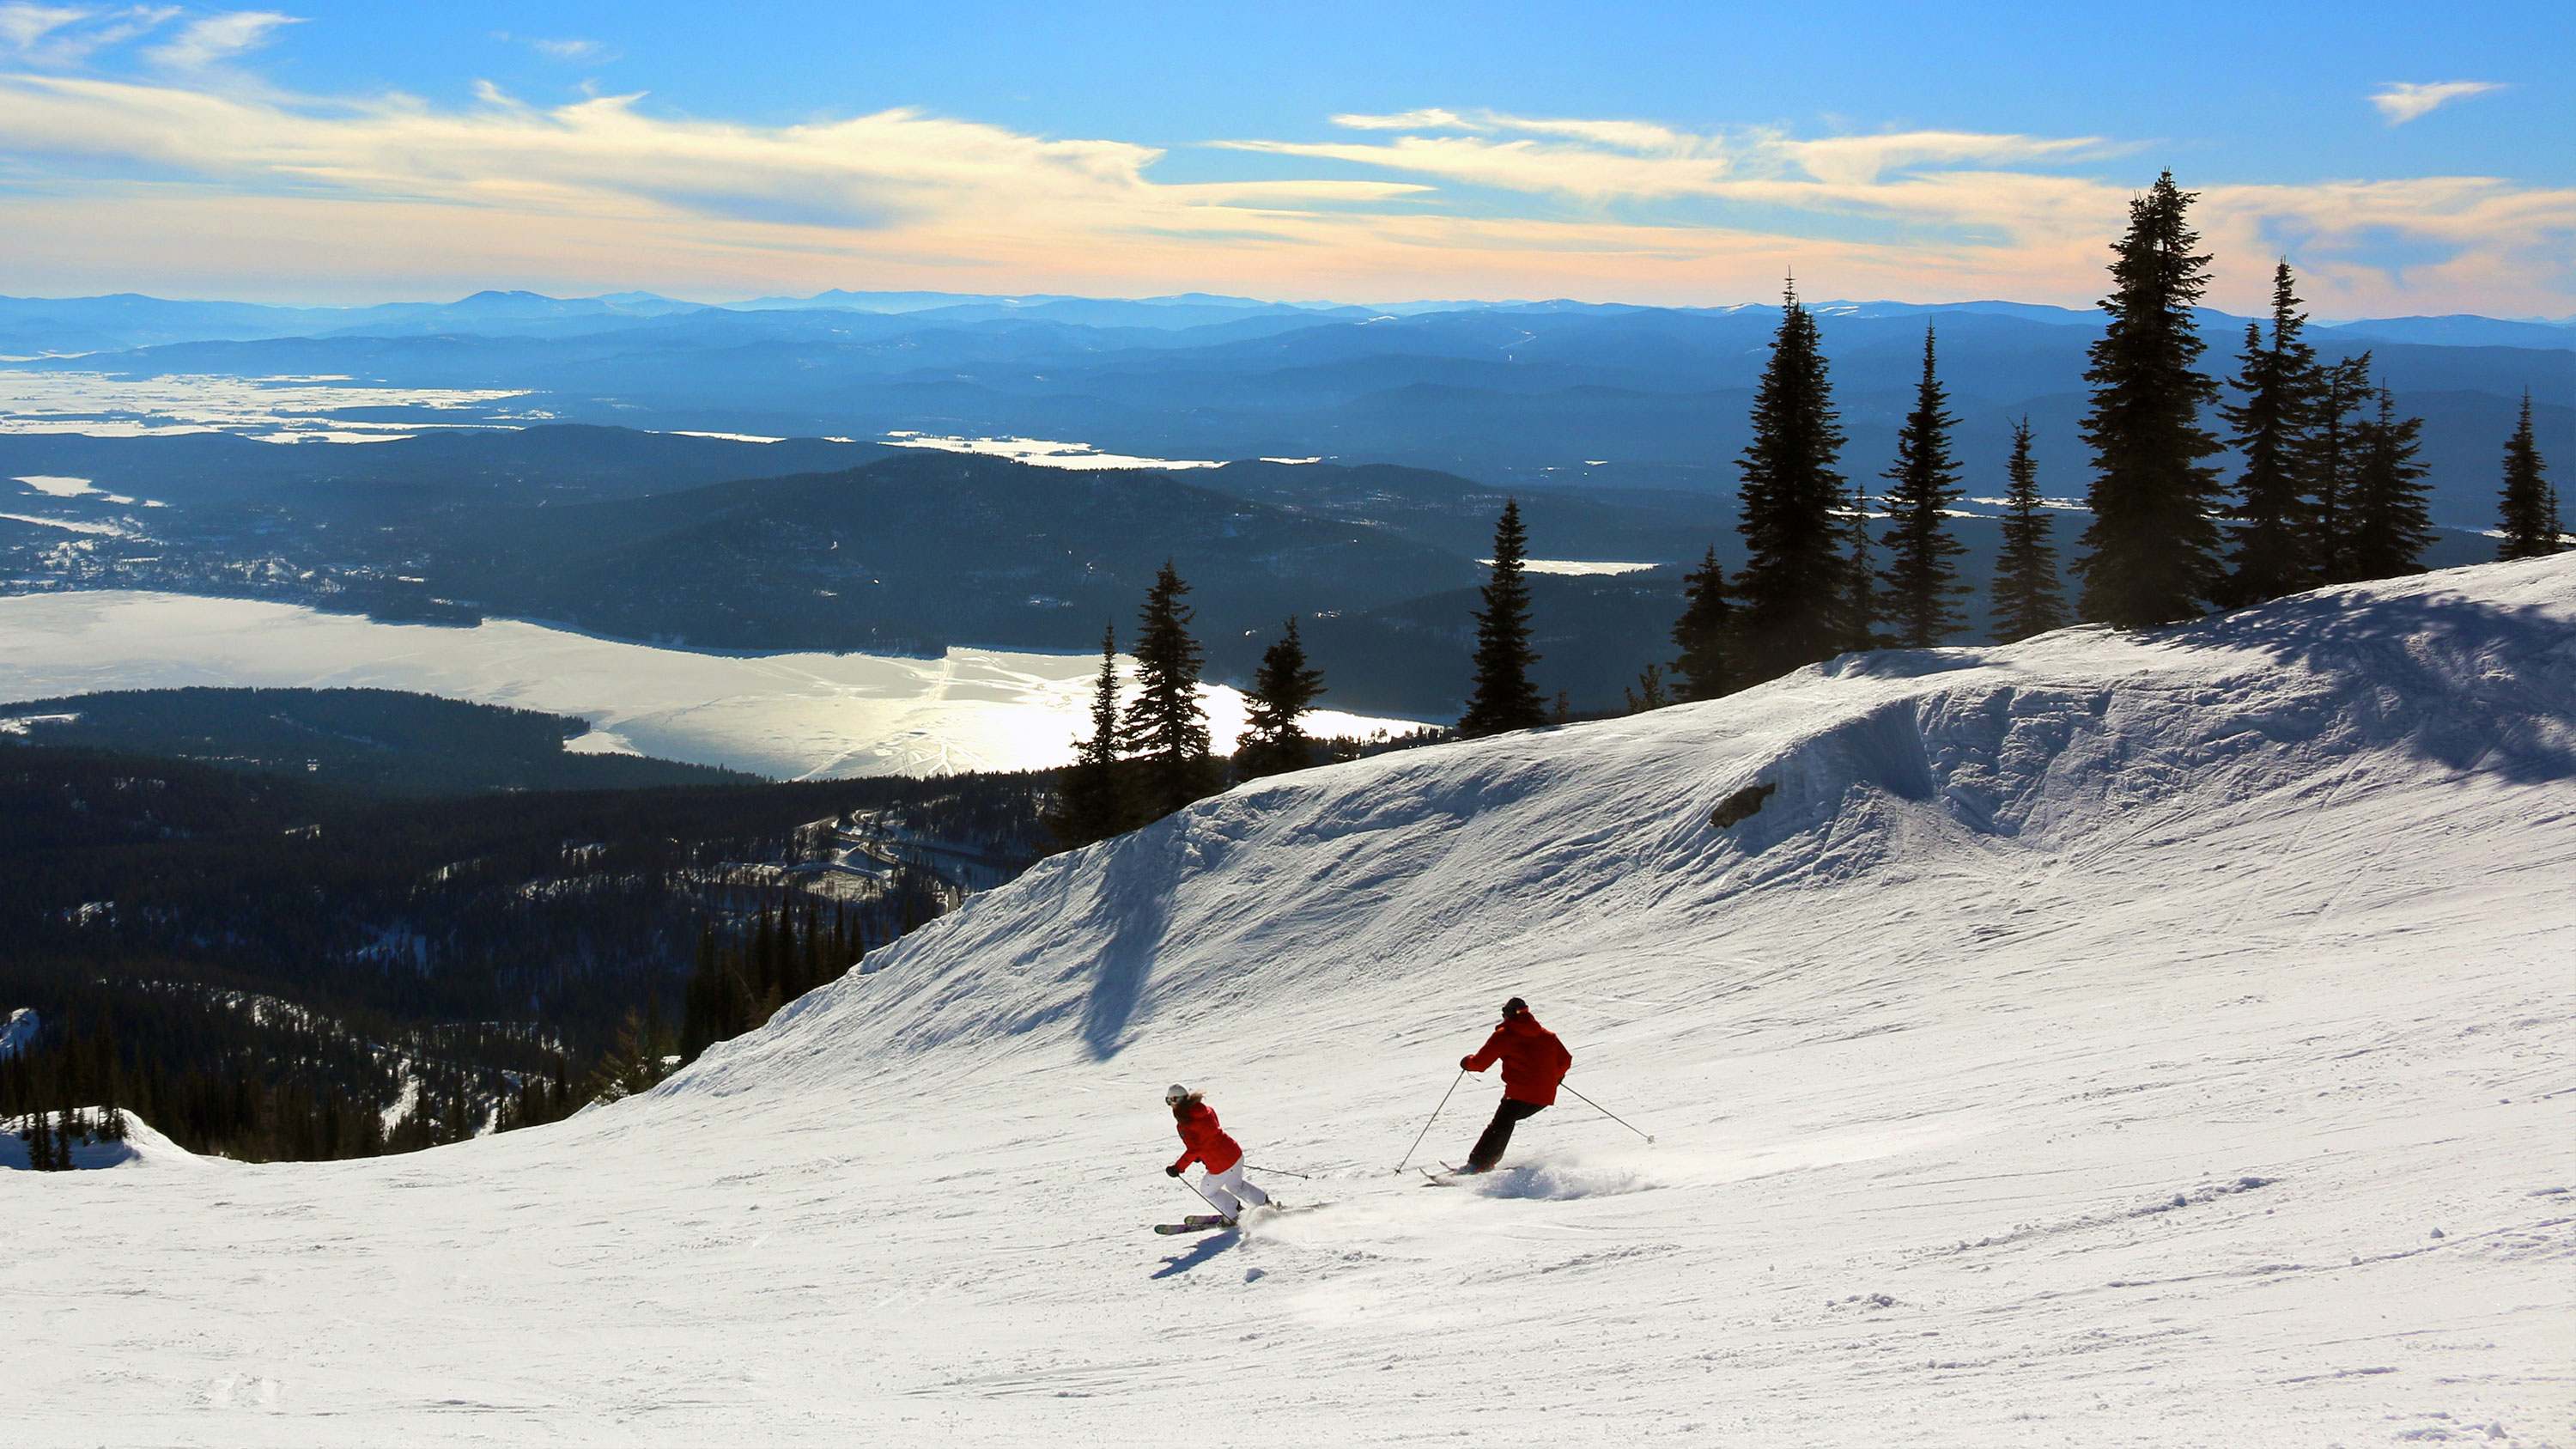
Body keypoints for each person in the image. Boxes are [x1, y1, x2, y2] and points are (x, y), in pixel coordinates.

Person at [1456, 996, 1572, 1173]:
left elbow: (1480, 1064)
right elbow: (1565, 1060)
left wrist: (1467, 1062)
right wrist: (1555, 1078)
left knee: (1501, 1124)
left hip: (1519, 1093)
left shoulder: (1504, 1035)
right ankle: (1487, 1161)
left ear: (1508, 1015)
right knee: (1506, 1122)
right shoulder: (1547, 1036)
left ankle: (1479, 1164)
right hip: (1545, 1096)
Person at [1163, 1084, 1272, 1224]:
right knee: (1236, 1186)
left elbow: (1194, 1149)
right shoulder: (1207, 1110)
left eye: (1169, 1101)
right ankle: (1266, 1204)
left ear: (1175, 1100)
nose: (1170, 1105)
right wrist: (1200, 1155)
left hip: (1219, 1164)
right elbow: (1210, 1134)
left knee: (1208, 1190)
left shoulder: (1185, 1124)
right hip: (1234, 1153)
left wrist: (1178, 1168)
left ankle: (1234, 1215)